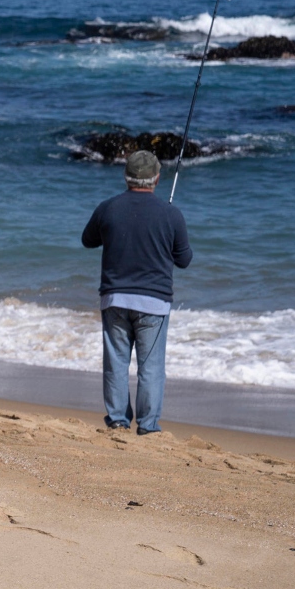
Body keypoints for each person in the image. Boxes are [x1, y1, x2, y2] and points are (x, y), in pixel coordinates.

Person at [81, 150, 192, 434]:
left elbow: (88, 240)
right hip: (153, 303)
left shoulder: (108, 207)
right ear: (156, 178)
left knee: (116, 362)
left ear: (126, 177)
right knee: (150, 367)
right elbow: (184, 259)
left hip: (115, 299)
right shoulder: (171, 214)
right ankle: (147, 425)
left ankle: (118, 420)